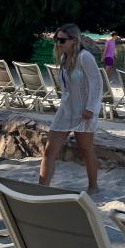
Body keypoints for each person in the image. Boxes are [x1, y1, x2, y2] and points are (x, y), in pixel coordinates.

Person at [40, 24, 101, 194]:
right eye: (56, 40)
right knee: (49, 150)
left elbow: (96, 83)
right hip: (66, 111)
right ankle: (41, 188)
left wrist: (91, 108)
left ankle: (93, 187)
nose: (58, 44)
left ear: (74, 40)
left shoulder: (85, 57)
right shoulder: (64, 58)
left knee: (86, 150)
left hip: (84, 112)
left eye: (61, 40)